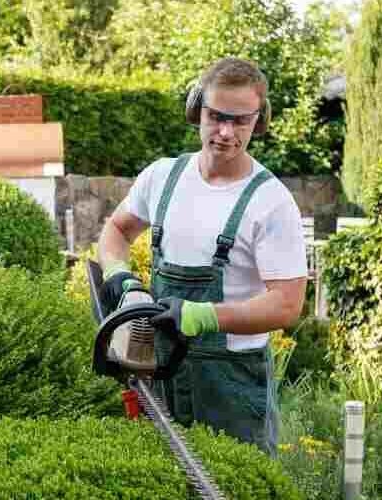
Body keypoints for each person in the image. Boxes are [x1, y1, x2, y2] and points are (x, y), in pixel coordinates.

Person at [96, 57, 307, 455]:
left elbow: (287, 304)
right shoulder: (162, 177)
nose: (226, 132)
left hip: (231, 387)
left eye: (240, 121)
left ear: (259, 121)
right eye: (216, 116)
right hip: (160, 373)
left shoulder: (271, 202)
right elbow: (116, 231)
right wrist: (121, 277)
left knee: (234, 484)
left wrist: (204, 316)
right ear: (197, 110)